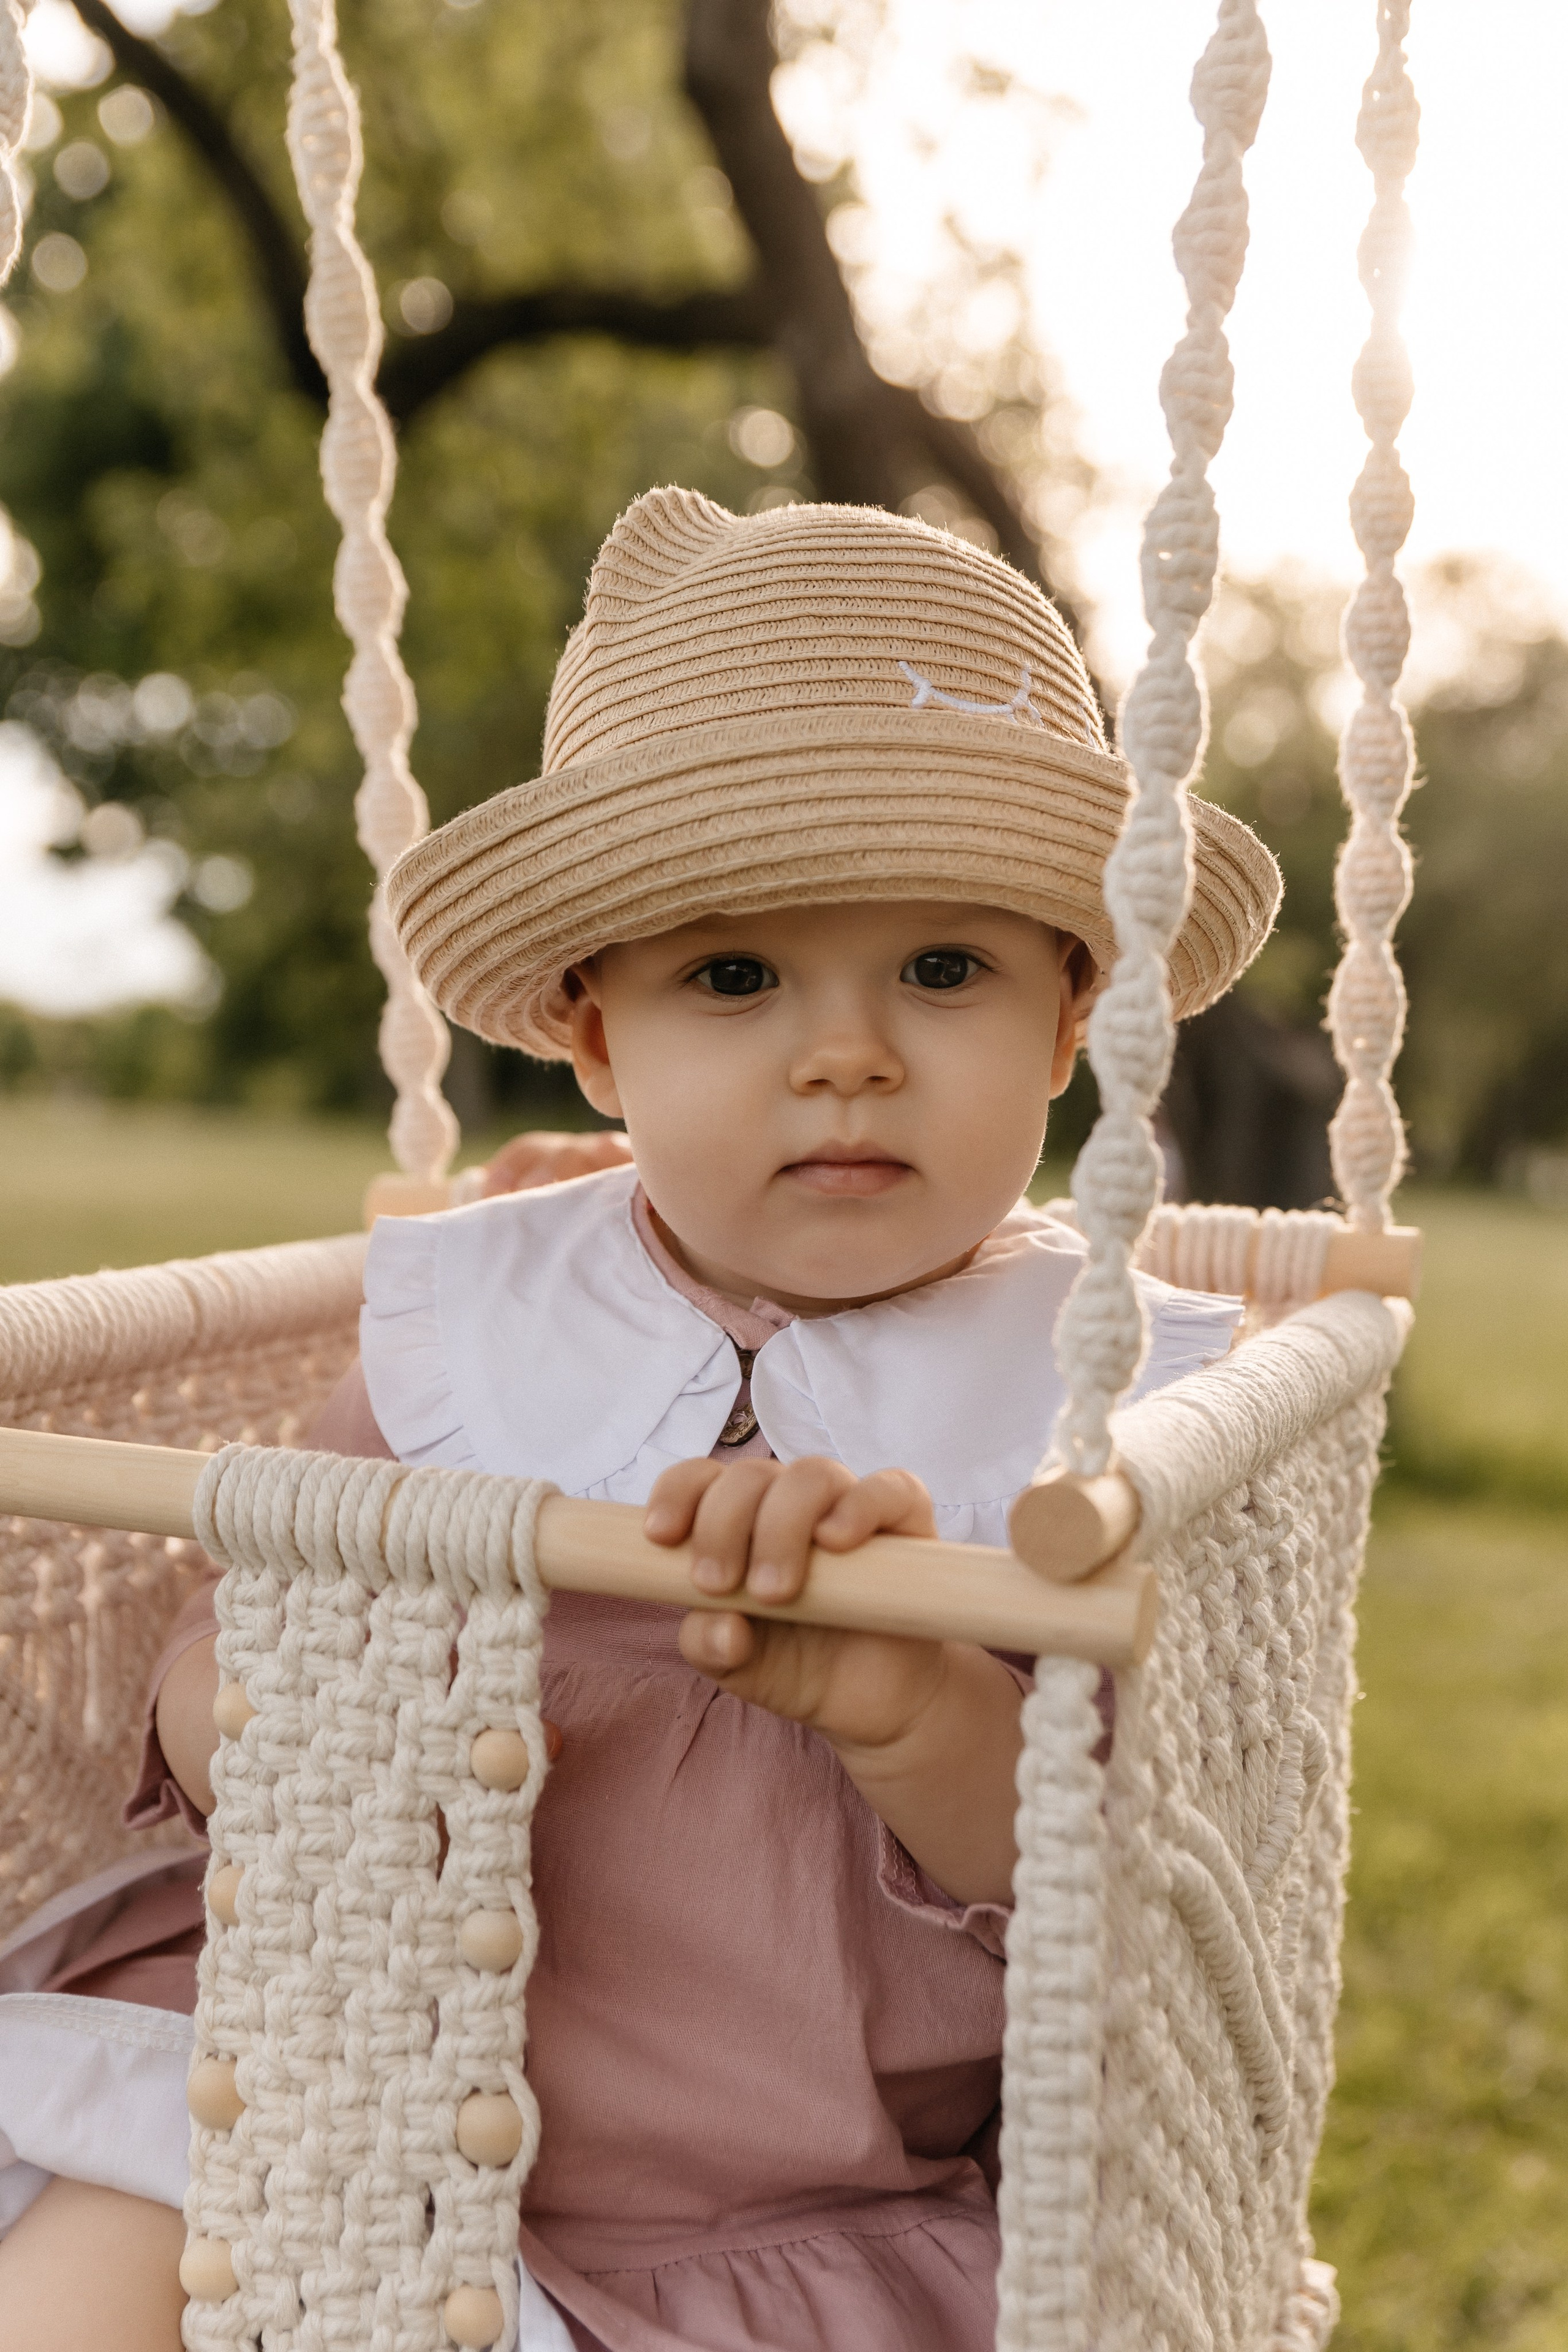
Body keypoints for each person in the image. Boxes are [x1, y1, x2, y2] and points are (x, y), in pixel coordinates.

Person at [0, 489, 1280, 2352]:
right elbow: (229, 1647)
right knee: (99, 2282)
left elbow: (1114, 1886)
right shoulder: (480, 1316)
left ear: (1074, 1015)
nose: (844, 1052)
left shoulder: (1106, 1396)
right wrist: (308, 1702)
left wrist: (905, 1701)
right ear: (599, 1042)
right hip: (334, 2086)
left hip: (774, 2191)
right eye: (734, 977)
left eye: (944, 969)